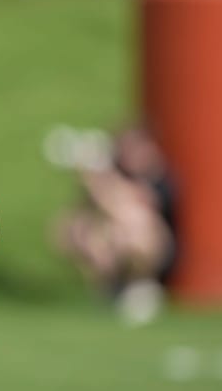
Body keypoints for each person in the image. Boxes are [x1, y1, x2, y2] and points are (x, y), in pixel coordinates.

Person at [51, 123, 177, 324]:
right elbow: (77, 216)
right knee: (83, 230)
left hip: (156, 252)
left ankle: (141, 287)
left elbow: (132, 204)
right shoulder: (120, 174)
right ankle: (110, 289)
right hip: (116, 252)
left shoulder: (158, 179)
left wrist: (98, 179)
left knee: (132, 227)